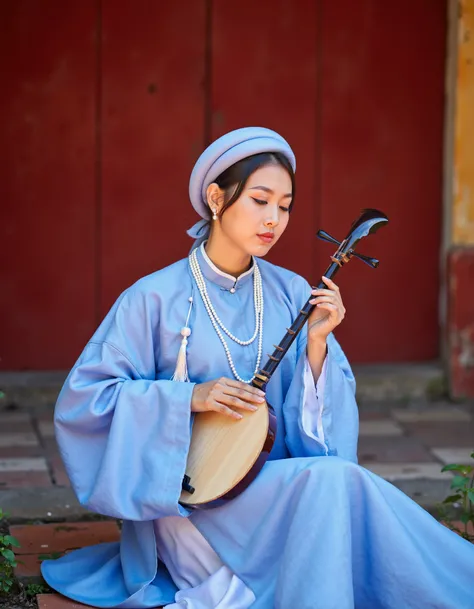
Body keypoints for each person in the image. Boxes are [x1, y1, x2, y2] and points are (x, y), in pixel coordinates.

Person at [41, 127, 474, 609]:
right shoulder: (153, 298)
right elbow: (86, 401)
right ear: (216, 198)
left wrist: (316, 346)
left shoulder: (290, 292)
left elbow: (324, 442)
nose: (274, 220)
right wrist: (189, 398)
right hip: (191, 500)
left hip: (271, 488)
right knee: (332, 489)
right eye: (260, 200)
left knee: (335, 480)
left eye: (285, 206)